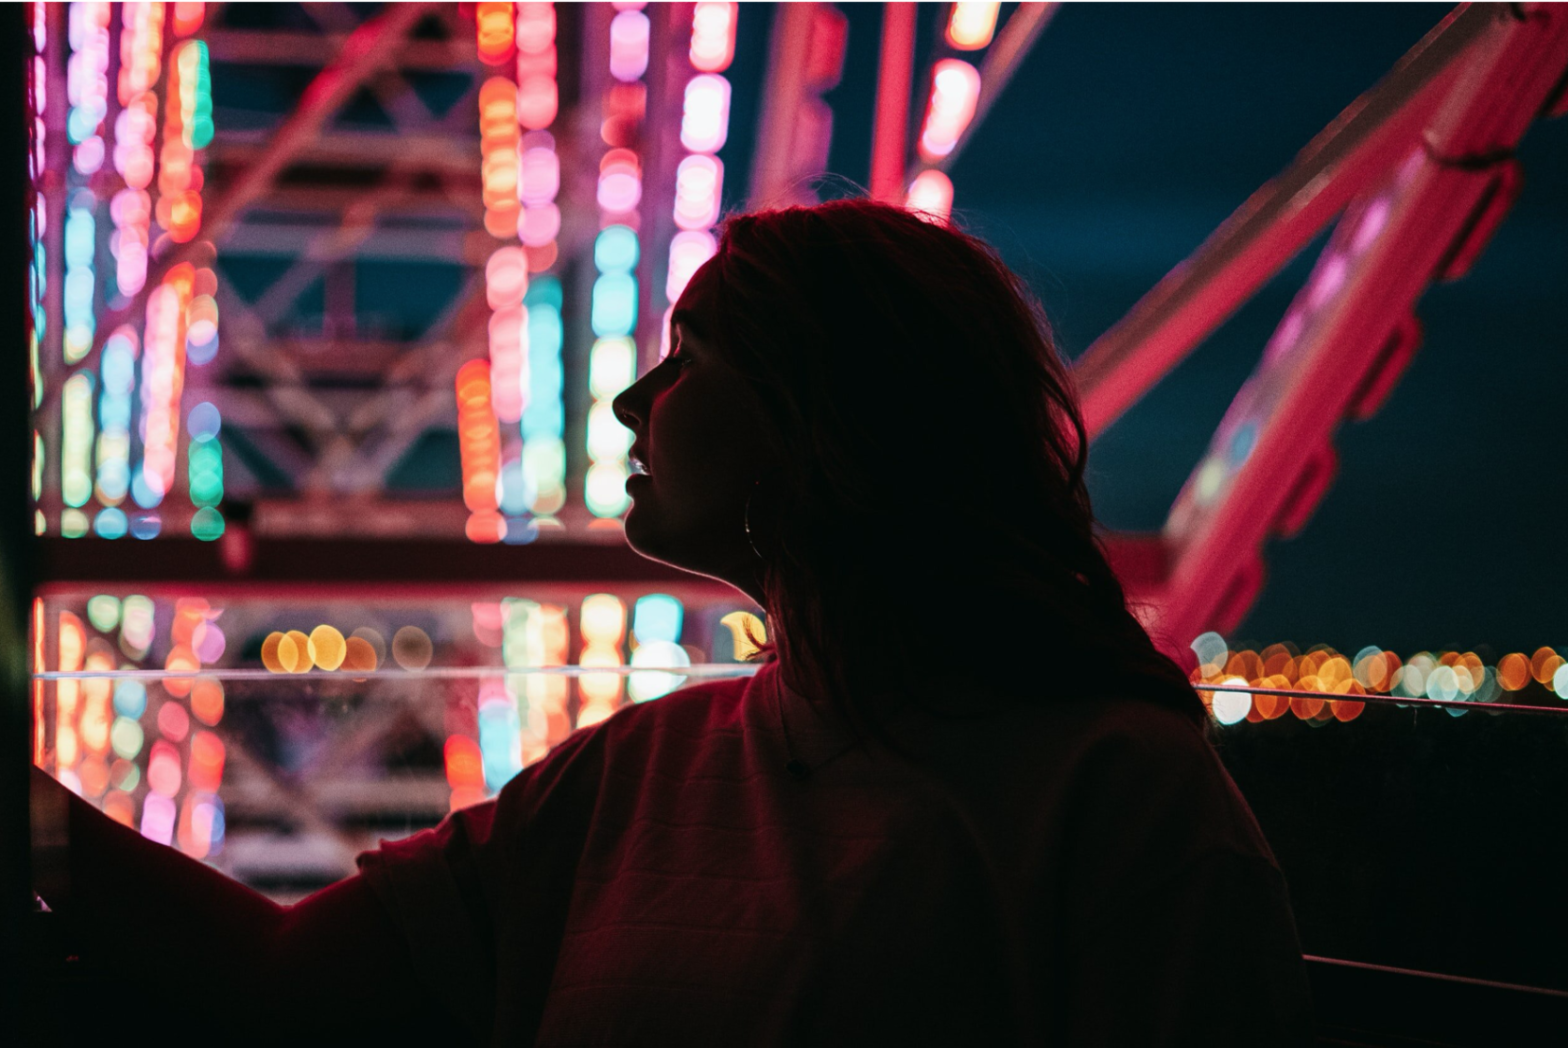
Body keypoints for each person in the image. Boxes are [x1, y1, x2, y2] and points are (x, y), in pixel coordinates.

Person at [31, 199, 1314, 1044]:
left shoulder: (1119, 801)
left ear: (830, 413)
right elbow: (286, 984)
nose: (632, 403)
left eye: (690, 357)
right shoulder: (636, 771)